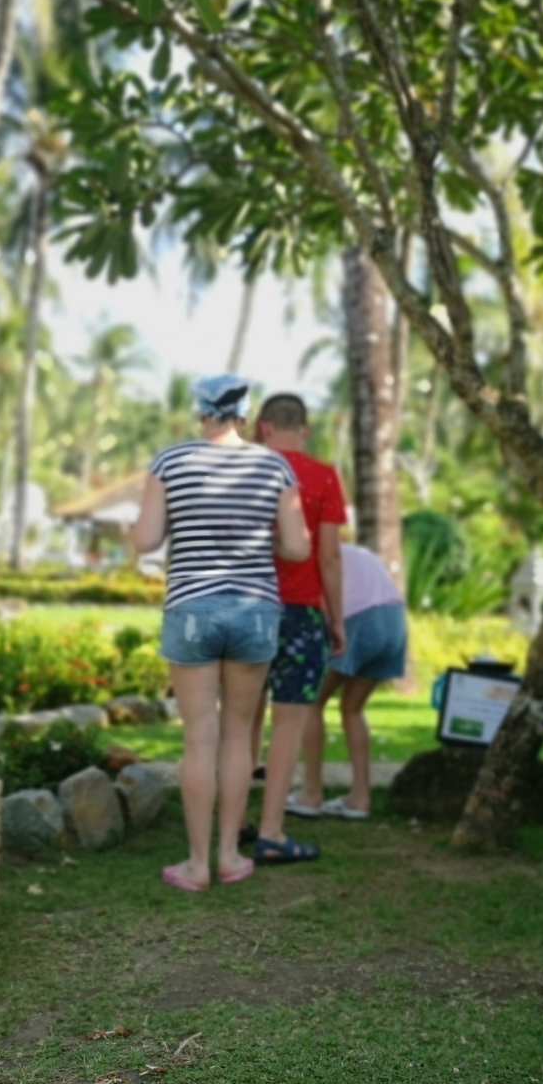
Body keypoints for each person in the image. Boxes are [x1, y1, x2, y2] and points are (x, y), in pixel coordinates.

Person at [130, 374, 310, 892]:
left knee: (198, 738)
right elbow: (297, 548)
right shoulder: (273, 465)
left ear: (201, 412)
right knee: (237, 736)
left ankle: (196, 863)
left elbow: (145, 539)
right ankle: (230, 856)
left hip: (191, 608)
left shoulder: (171, 461)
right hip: (255, 609)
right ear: (245, 415)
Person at [247, 393, 345, 862]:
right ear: (303, 429)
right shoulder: (322, 476)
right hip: (300, 613)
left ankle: (235, 824)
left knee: (241, 720)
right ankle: (271, 832)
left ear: (263, 426)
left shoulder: (244, 472)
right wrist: (337, 618)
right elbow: (327, 555)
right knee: (287, 725)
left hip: (246, 608)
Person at [294, 541, 408, 819]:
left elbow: (314, 609)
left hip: (359, 618)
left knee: (309, 701)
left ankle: (310, 794)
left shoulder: (312, 556)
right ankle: (360, 798)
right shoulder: (360, 552)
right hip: (394, 621)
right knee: (352, 709)